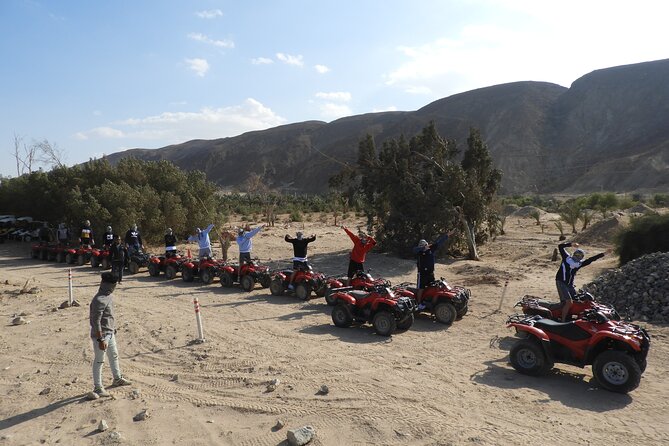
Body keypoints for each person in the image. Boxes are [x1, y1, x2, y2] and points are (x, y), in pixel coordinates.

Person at [89, 271, 132, 398]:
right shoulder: (99, 300)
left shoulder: (108, 296)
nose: (114, 288)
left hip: (110, 333)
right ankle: (98, 388)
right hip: (101, 336)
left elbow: (108, 317)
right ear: (108, 285)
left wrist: (112, 330)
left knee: (114, 356)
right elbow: (95, 321)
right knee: (99, 361)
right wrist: (100, 339)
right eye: (113, 285)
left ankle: (117, 379)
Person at [556, 242, 605, 321]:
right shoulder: (566, 258)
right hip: (561, 282)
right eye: (577, 255)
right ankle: (563, 321)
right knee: (568, 302)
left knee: (577, 302)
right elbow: (560, 246)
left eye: (580, 256)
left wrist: (604, 253)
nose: (578, 257)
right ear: (574, 254)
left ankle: (573, 318)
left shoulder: (579, 264)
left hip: (569, 285)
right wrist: (571, 244)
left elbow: (591, 259)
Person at [413, 230, 455, 304]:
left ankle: (429, 302)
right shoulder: (419, 252)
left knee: (432, 288)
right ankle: (419, 303)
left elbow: (439, 243)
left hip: (430, 273)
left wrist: (447, 235)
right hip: (422, 274)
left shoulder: (431, 249)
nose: (426, 246)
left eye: (426, 244)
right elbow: (415, 250)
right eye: (423, 245)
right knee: (420, 289)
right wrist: (423, 248)